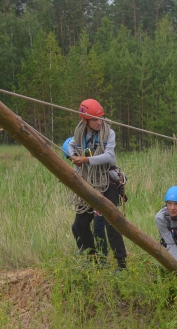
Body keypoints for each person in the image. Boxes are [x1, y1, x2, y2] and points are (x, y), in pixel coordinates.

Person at [67, 99, 127, 269]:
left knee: (111, 222)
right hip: (89, 181)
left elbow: (109, 156)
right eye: (94, 119)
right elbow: (71, 146)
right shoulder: (80, 134)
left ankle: (121, 264)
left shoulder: (109, 133)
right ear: (85, 120)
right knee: (80, 223)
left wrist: (86, 159)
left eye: (100, 118)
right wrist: (73, 157)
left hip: (108, 181)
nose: (99, 122)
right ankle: (92, 260)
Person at [63, 136, 109, 256]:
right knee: (77, 227)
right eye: (70, 159)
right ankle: (88, 254)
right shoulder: (78, 166)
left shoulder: (95, 159)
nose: (73, 161)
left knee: (98, 228)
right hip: (89, 199)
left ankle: (103, 259)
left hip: (102, 196)